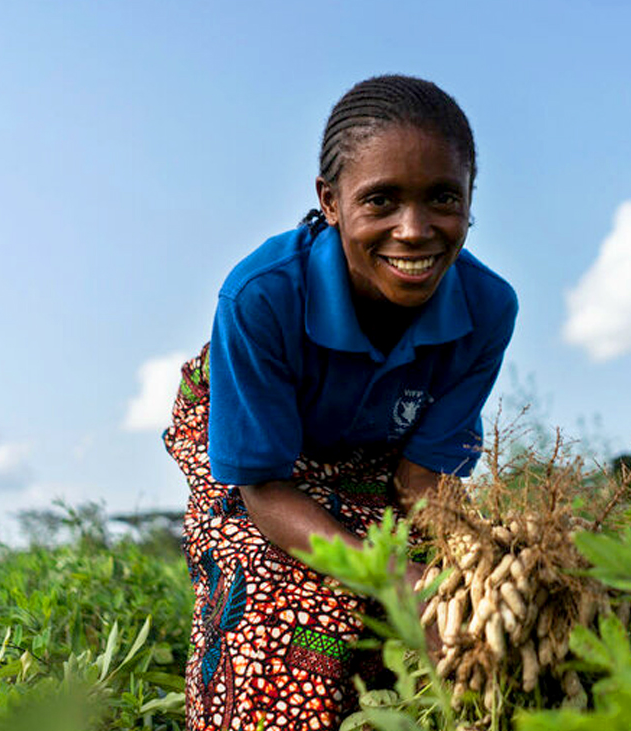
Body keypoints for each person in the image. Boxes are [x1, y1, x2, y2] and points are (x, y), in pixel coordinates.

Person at [163, 74, 517, 731]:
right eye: (380, 200)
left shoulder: (488, 309)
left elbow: (421, 478)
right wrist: (390, 574)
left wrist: (462, 570)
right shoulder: (260, 297)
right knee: (278, 598)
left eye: (443, 197)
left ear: (470, 199)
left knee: (460, 609)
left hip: (373, 453)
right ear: (329, 202)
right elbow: (264, 491)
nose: (414, 231)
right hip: (256, 460)